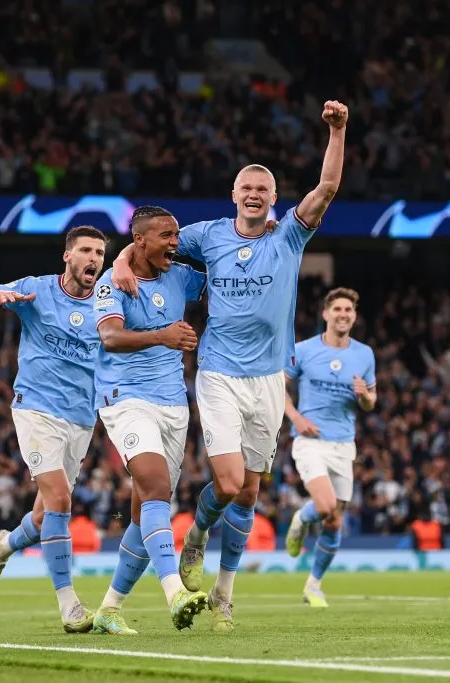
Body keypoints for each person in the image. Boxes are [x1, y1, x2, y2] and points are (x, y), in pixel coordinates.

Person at [110, 101, 349, 631]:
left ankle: (224, 595)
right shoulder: (206, 235)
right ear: (234, 195)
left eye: (263, 189)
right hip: (217, 373)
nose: (254, 195)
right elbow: (152, 242)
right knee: (228, 480)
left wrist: (338, 131)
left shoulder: (290, 236)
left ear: (274, 199)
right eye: (246, 188)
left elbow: (327, 188)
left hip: (267, 378)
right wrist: (123, 259)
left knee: (249, 491)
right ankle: (195, 535)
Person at [0, 226, 107, 633]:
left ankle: (4, 546)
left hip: (82, 418)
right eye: (85, 250)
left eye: (99, 251)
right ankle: (70, 606)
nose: (93, 258)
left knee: (46, 517)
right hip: (37, 410)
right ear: (68, 256)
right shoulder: (36, 290)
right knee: (60, 501)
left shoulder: (107, 301)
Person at [91, 206, 208, 634]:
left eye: (177, 235)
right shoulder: (113, 282)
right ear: (140, 239)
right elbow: (110, 337)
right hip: (125, 399)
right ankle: (174, 591)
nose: (174, 243)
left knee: (145, 514)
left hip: (174, 405)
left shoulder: (178, 275)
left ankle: (109, 608)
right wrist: (163, 335)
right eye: (166, 235)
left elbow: (224, 282)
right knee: (157, 486)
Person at [283, 287, 377, 607]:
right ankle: (301, 519)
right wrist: (295, 417)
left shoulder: (364, 355)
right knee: (325, 508)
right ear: (326, 314)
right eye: (337, 309)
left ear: (354, 317)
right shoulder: (303, 350)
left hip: (343, 445)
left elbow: (370, 402)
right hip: (310, 441)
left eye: (348, 310)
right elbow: (277, 387)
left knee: (336, 521)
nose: (343, 314)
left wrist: (365, 396)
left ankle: (314, 586)